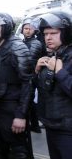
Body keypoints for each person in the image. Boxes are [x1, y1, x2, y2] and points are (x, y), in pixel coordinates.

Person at [0, 12, 34, 159]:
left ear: (4, 28)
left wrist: (21, 115)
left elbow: (28, 83)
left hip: (12, 108)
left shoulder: (18, 47)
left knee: (18, 152)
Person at [34, 11, 72, 159]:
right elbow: (46, 89)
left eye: (53, 33)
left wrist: (60, 72)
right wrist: (37, 71)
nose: (48, 37)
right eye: (45, 34)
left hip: (67, 130)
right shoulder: (54, 54)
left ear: (66, 33)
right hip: (51, 125)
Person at [21, 17, 43, 133]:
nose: (27, 30)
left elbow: (28, 59)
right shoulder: (24, 42)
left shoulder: (35, 43)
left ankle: (33, 125)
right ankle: (34, 125)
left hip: (30, 76)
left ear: (35, 30)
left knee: (28, 100)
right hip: (29, 75)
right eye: (25, 28)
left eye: (30, 28)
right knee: (29, 100)